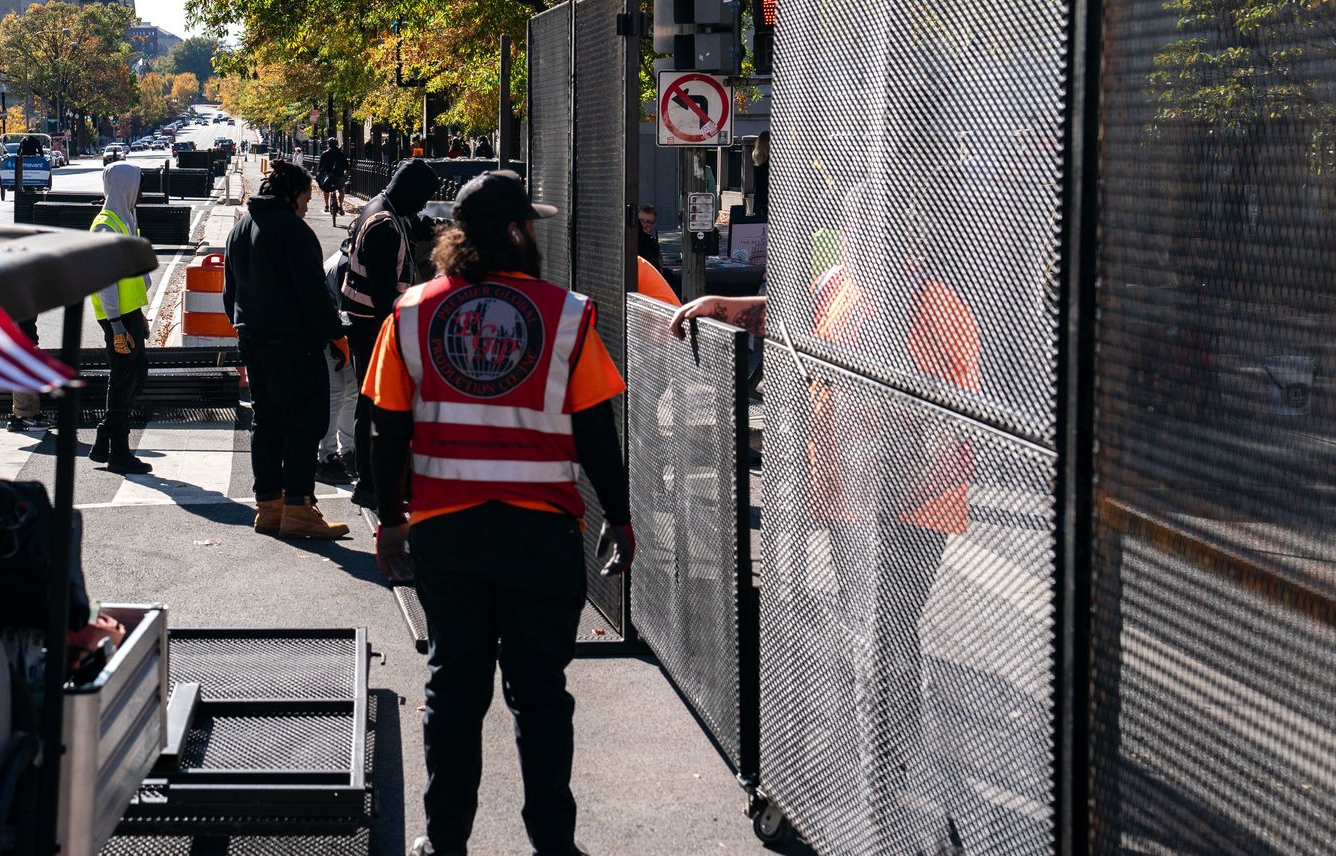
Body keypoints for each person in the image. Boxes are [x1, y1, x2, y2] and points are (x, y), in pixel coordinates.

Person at [668, 188, 980, 849]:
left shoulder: (938, 305)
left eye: (891, 222)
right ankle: (874, 745)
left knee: (887, 624)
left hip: (912, 505)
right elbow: (785, 317)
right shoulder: (838, 282)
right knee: (865, 618)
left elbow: (957, 411)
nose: (873, 231)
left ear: (915, 234)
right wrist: (719, 306)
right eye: (862, 220)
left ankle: (887, 764)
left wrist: (903, 475)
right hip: (846, 494)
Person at [366, 170, 634, 856]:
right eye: (531, 225)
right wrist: (620, 515)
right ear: (515, 232)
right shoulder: (566, 314)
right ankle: (554, 844)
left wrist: (390, 519)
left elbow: (387, 429)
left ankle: (446, 840)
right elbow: (595, 430)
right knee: (540, 693)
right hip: (539, 533)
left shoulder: (412, 313)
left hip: (445, 532)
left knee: (454, 688)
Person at [223, 160, 353, 539]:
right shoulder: (293, 231)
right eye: (307, 196)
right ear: (291, 194)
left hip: (253, 340)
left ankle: (269, 506)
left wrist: (244, 329)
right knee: (303, 423)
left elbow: (229, 294)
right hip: (294, 344)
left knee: (265, 421)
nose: (308, 204)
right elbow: (313, 295)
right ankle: (298, 506)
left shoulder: (240, 229)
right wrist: (335, 335)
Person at [339, 158, 441, 508]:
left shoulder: (382, 209)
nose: (424, 204)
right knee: (377, 406)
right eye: (424, 196)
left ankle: (373, 483)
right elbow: (384, 293)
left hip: (365, 323)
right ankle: (372, 484)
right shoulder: (385, 225)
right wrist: (396, 339)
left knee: (371, 405)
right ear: (409, 191)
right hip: (373, 327)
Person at [88, 162, 153, 474]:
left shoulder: (125, 219)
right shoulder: (106, 226)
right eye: (138, 186)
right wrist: (116, 324)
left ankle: (106, 435)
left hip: (128, 314)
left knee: (135, 374)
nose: (141, 193)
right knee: (124, 379)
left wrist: (138, 314)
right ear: (125, 188)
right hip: (116, 318)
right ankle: (118, 451)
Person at [318, 248, 359, 483]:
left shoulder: (346, 258)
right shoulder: (346, 265)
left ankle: (346, 450)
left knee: (350, 390)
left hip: (336, 332)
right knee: (337, 392)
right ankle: (326, 455)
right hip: (330, 333)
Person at [318, 136, 350, 216]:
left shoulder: (325, 154)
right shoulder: (341, 154)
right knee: (341, 191)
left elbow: (320, 166)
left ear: (328, 145)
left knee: (326, 189)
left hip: (328, 175)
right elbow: (346, 165)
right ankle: (340, 205)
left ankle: (326, 206)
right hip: (339, 175)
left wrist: (320, 173)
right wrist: (346, 171)